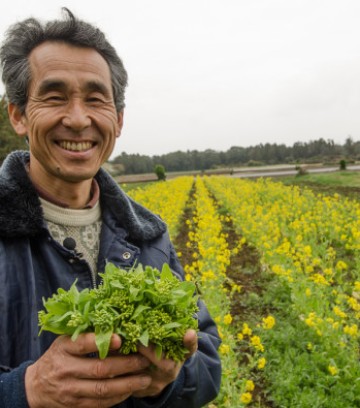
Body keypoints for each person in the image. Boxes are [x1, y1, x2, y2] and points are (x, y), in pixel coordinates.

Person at [0, 8, 221, 408]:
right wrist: (26, 390)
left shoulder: (149, 236)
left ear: (117, 120)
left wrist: (167, 378)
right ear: (17, 114)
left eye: (96, 99)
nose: (79, 119)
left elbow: (207, 368)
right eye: (54, 97)